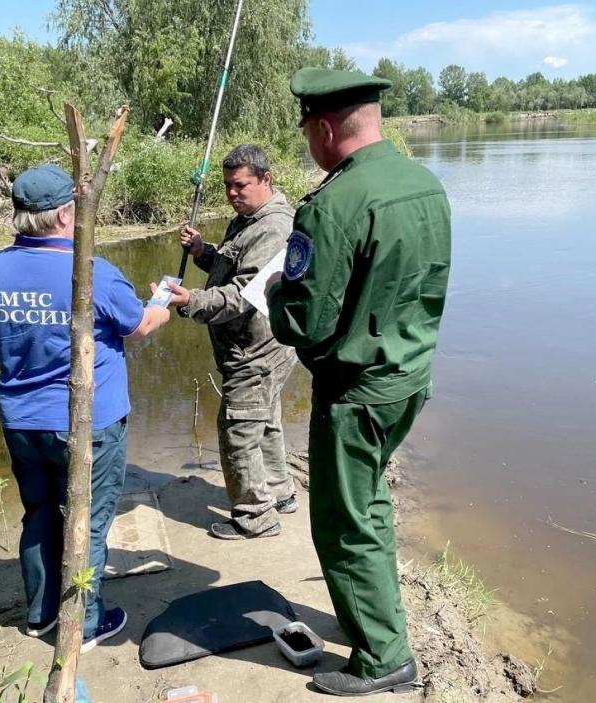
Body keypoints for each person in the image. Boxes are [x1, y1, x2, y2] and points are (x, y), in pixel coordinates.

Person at [266, 68, 451, 696]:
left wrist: (273, 290)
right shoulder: (424, 184)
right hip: (409, 379)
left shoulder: (332, 204)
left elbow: (302, 322)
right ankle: (381, 622)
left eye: (305, 132)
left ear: (323, 127)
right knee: (368, 504)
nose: (306, 144)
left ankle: (381, 659)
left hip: (357, 392)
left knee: (344, 522)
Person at [0, 164, 170, 652]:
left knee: (39, 514)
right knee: (88, 521)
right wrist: (162, 307)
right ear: (66, 214)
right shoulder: (91, 269)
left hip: (21, 421)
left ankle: (40, 614)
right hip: (86, 423)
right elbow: (136, 327)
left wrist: (24, 333)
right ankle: (87, 623)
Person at [163, 144, 298, 540]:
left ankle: (256, 517)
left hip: (255, 350)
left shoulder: (274, 227)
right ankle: (280, 493)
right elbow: (232, 264)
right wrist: (204, 253)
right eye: (227, 186)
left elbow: (242, 295)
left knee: (237, 430)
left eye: (240, 185)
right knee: (265, 422)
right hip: (258, 346)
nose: (232, 193)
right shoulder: (250, 218)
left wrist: (190, 301)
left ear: (266, 179)